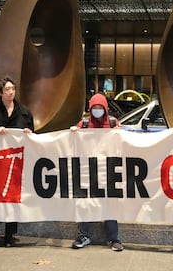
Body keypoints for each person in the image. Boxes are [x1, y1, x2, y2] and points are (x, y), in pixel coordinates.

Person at [0, 76, 33, 249]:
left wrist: (28, 133)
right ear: (0, 92)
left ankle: (10, 235)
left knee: (13, 198)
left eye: (13, 89)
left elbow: (33, 134)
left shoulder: (24, 112)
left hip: (16, 164)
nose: (11, 92)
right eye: (7, 89)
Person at [71, 93, 123, 252]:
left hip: (108, 169)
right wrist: (72, 134)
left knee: (110, 203)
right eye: (95, 108)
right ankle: (83, 236)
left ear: (105, 109)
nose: (98, 111)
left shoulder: (114, 123)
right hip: (88, 170)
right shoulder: (84, 124)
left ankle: (114, 239)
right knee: (84, 202)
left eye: (100, 108)